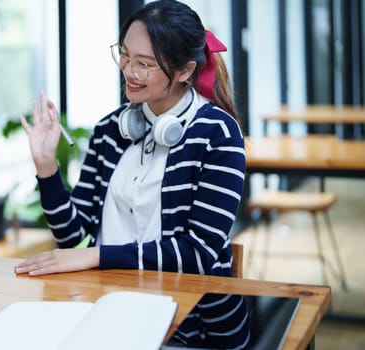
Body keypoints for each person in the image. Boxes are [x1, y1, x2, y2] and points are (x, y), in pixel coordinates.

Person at [15, 0, 245, 277]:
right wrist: (46, 166)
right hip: (108, 297)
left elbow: (197, 255)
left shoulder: (218, 133)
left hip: (193, 312)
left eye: (144, 64)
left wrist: (98, 255)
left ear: (185, 71)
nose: (128, 71)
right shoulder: (110, 129)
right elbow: (71, 237)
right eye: (124, 55)